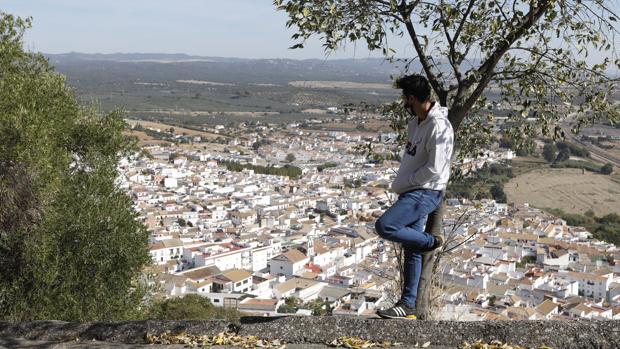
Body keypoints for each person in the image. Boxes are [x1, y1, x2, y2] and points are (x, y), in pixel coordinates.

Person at [375, 74, 454, 319]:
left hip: (424, 192)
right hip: (414, 192)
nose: (403, 103)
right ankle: (408, 303)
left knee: (385, 226)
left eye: (404, 98)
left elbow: (435, 169)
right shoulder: (416, 123)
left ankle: (430, 241)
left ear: (412, 98)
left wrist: (403, 183)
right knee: (411, 249)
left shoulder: (439, 127)